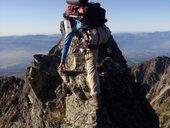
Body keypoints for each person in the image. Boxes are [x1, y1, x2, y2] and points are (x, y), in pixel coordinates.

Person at [59, 0, 111, 106]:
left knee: (91, 67)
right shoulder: (89, 7)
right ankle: (109, 50)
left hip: (93, 37)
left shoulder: (69, 16)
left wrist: (62, 60)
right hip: (105, 33)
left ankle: (96, 97)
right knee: (104, 45)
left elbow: (67, 41)